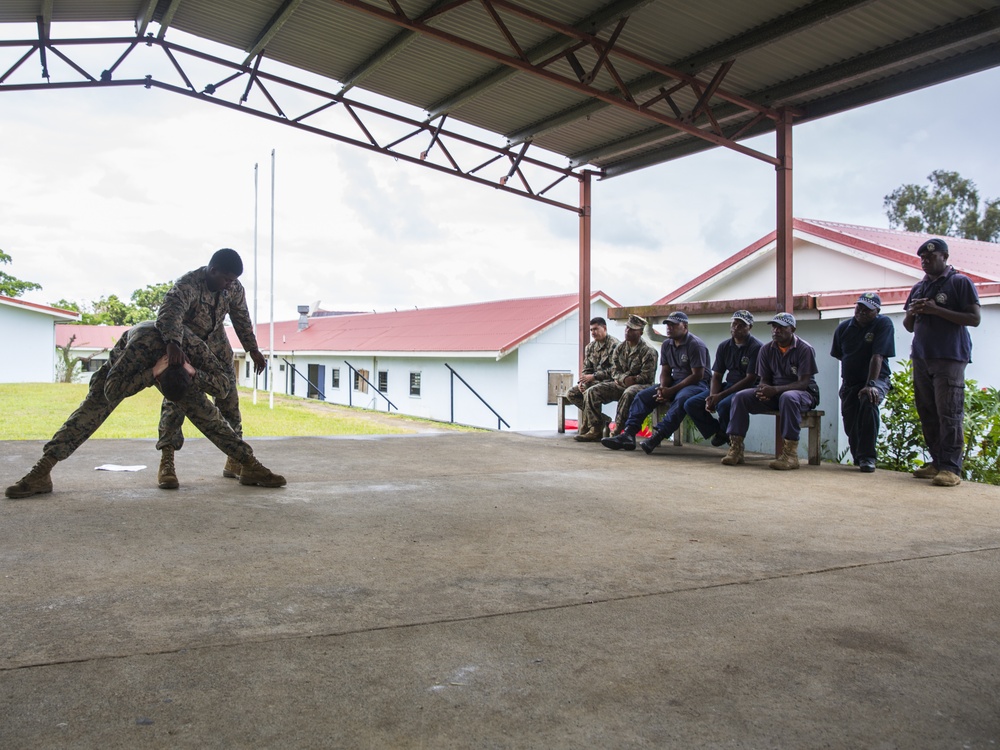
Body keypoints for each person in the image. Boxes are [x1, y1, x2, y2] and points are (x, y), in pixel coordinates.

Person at [5, 322, 285, 499]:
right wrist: (151, 372)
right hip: (125, 370)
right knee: (86, 415)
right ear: (159, 382)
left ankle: (250, 465)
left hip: (179, 371)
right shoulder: (139, 349)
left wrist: (193, 372)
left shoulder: (194, 349)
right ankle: (41, 472)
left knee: (209, 416)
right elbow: (112, 390)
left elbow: (224, 386)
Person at [156, 248, 268, 485]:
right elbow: (169, 314)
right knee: (176, 403)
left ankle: (236, 459)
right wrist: (173, 344)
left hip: (218, 352)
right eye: (226, 279)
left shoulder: (233, 288)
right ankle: (167, 462)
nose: (229, 285)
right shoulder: (188, 285)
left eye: (233, 280)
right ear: (213, 270)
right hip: (186, 351)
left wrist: (253, 349)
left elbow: (241, 317)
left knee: (229, 402)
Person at [903, 238, 981, 487]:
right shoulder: (919, 287)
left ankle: (951, 468)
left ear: (945, 257)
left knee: (949, 412)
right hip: (922, 357)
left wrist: (937, 310)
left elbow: (974, 318)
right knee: (927, 411)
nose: (925, 262)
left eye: (931, 257)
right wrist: (915, 312)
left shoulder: (960, 282)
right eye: (922, 259)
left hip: (949, 357)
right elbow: (908, 326)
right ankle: (937, 462)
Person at [600, 311, 711, 453]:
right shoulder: (667, 345)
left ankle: (657, 436)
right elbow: (665, 371)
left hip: (696, 384)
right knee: (642, 396)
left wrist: (671, 390)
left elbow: (698, 375)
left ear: (685, 326)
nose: (669, 328)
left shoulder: (695, 345)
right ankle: (629, 434)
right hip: (674, 382)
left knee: (682, 398)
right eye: (668, 325)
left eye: (674, 325)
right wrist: (663, 388)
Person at [721, 312, 820, 470]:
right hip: (774, 392)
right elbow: (764, 378)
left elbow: (803, 383)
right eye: (774, 327)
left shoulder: (804, 349)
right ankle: (736, 449)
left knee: (788, 397)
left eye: (781, 327)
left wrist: (774, 390)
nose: (776, 331)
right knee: (740, 397)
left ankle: (790, 455)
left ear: (792, 329)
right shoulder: (766, 349)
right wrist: (763, 389)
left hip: (802, 393)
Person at [831, 292, 895, 473]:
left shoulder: (883, 324)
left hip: (876, 379)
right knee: (850, 420)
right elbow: (840, 355)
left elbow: (878, 356)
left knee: (868, 401)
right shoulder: (843, 328)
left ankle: (868, 457)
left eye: (867, 310)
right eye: (859, 307)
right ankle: (858, 456)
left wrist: (871, 384)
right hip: (850, 381)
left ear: (877, 311)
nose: (862, 312)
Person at [572, 314, 658, 442]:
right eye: (627, 328)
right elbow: (614, 370)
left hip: (642, 386)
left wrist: (632, 380)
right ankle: (596, 429)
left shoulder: (648, 351)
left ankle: (617, 431)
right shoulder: (620, 348)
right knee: (592, 391)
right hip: (621, 383)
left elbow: (647, 376)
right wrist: (624, 379)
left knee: (629, 393)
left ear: (640, 332)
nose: (627, 331)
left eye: (632, 329)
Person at [684, 310, 763, 448]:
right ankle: (720, 431)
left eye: (741, 325)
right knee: (691, 404)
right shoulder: (724, 346)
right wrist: (713, 396)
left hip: (747, 388)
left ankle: (733, 441)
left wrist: (720, 396)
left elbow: (750, 379)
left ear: (749, 327)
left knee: (724, 404)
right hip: (728, 386)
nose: (736, 328)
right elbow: (717, 375)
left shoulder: (756, 347)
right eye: (734, 323)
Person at [564, 317, 620, 440]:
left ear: (604, 328)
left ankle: (594, 429)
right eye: (591, 330)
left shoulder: (615, 346)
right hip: (593, 382)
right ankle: (601, 420)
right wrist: (581, 381)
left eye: (595, 329)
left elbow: (615, 371)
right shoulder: (590, 347)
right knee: (572, 393)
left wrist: (594, 376)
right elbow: (586, 368)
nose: (593, 332)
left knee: (590, 392)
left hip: (611, 383)